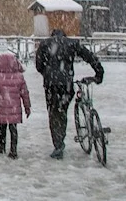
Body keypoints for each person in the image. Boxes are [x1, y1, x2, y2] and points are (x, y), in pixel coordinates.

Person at [34, 28, 104, 159]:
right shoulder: (72, 44)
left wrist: (48, 73)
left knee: (53, 113)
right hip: (66, 84)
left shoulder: (44, 44)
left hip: (51, 85)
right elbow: (89, 56)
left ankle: (58, 144)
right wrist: (99, 72)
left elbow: (38, 65)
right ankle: (61, 137)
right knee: (62, 111)